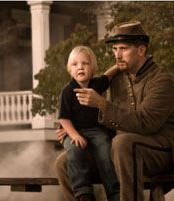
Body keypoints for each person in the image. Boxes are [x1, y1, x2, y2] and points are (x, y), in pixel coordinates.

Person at [55, 21, 174, 201]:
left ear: (141, 50)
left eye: (123, 49)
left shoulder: (162, 80)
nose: (117, 55)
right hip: (124, 148)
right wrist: (75, 131)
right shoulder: (118, 79)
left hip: (165, 151)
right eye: (115, 49)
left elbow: (145, 123)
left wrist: (102, 104)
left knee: (124, 143)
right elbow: (112, 123)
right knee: (64, 162)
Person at [58, 45, 121, 201]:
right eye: (75, 64)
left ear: (93, 68)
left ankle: (114, 192)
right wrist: (74, 135)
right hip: (73, 131)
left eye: (85, 63)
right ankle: (83, 192)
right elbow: (63, 118)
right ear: (70, 70)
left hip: (96, 130)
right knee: (73, 150)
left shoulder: (96, 84)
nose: (80, 67)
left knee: (105, 147)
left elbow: (108, 76)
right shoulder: (67, 91)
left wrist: (118, 66)